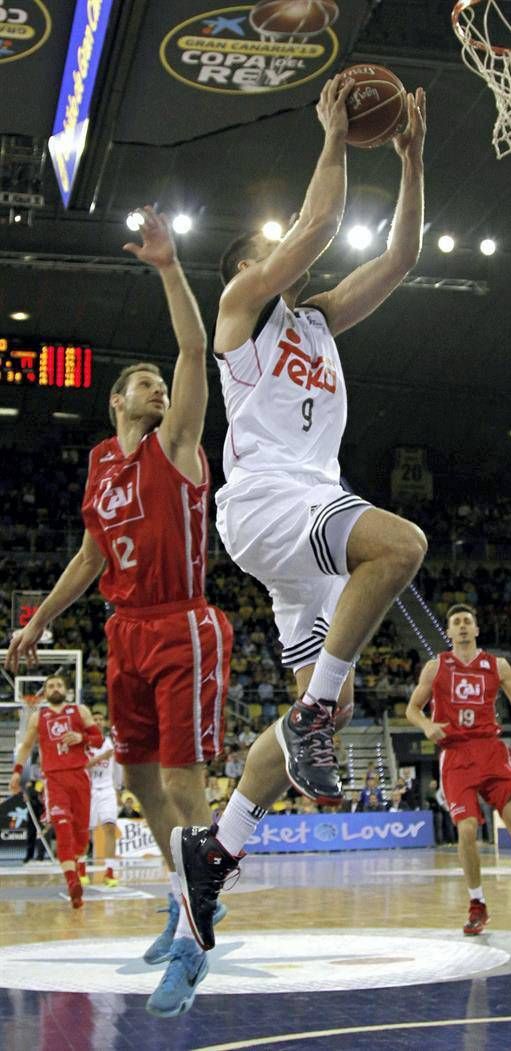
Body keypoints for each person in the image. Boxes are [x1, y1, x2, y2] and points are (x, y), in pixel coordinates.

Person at [171, 75, 427, 953]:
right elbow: (314, 226)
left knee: (331, 699)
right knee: (400, 545)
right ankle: (316, 715)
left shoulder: (316, 320)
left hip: (304, 521)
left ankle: (217, 846)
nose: (288, 254)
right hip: (272, 500)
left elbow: (399, 262)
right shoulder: (239, 310)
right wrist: (330, 133)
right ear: (246, 268)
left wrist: (411, 160)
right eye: (268, 250)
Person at [4, 207, 234, 1017]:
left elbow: (194, 348)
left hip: (183, 622)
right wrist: (37, 623)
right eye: (143, 382)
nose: (158, 387)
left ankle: (198, 937)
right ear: (115, 402)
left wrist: (170, 267)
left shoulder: (177, 443)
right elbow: (92, 557)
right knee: (138, 778)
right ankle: (185, 893)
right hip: (123, 630)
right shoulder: (103, 465)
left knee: (182, 777)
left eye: (159, 383)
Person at [405, 604, 511, 935]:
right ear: (449, 632)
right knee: (466, 830)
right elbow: (412, 708)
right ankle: (477, 904)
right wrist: (426, 725)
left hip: (491, 750)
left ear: (477, 629)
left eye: (468, 621)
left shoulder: (498, 665)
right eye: (456, 622)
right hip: (456, 754)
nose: (463, 626)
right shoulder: (436, 667)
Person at [9, 675, 102, 909]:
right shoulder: (37, 716)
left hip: (80, 776)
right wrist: (17, 771)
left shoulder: (80, 711)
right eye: (50, 686)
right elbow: (26, 747)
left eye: (59, 684)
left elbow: (99, 740)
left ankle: (75, 865)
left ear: (67, 690)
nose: (55, 688)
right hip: (54, 779)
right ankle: (73, 884)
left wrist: (82, 737)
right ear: (45, 692)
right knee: (62, 826)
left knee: (81, 839)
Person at [86, 711, 120, 885]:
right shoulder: (85, 743)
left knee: (109, 828)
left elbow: (117, 767)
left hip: (107, 789)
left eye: (100, 719)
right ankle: (81, 870)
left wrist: (119, 789)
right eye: (95, 719)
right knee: (85, 832)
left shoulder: (110, 743)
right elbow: (83, 765)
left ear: (105, 722)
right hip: (88, 790)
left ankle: (110, 872)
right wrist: (101, 757)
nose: (98, 722)